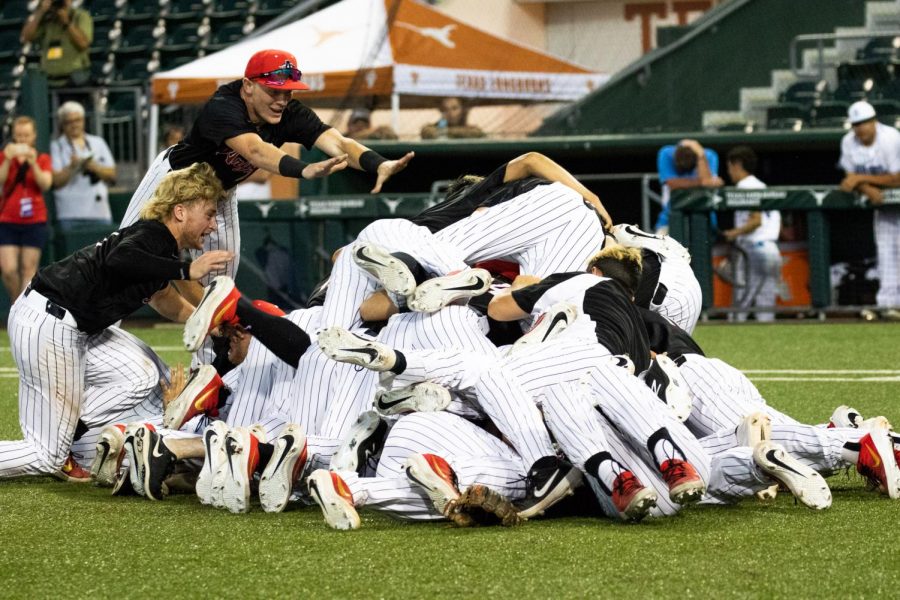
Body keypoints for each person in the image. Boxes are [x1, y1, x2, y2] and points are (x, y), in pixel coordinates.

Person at [0, 162, 233, 482]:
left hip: (70, 325)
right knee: (46, 456)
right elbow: (119, 259)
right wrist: (185, 272)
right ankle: (70, 437)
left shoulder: (160, 243)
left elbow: (161, 296)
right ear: (180, 211)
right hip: (50, 324)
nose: (212, 224)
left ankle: (82, 432)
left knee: (147, 373)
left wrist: (204, 319)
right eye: (208, 213)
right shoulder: (153, 234)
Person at [120, 48, 415, 291]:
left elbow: (338, 142)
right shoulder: (223, 105)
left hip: (217, 193)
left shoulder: (290, 112)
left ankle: (210, 361)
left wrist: (378, 162)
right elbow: (255, 150)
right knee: (124, 256)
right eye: (273, 91)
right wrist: (305, 170)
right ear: (248, 86)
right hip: (172, 181)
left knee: (219, 283)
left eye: (287, 92)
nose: (282, 100)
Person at [838, 100, 900, 320]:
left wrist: (861, 180)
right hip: (884, 206)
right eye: (855, 124)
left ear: (874, 122)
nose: (859, 128)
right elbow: (848, 176)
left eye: (864, 123)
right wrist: (866, 188)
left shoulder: (891, 137)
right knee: (886, 255)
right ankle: (889, 305)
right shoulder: (848, 141)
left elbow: (897, 177)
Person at [723, 146, 783, 322]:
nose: (729, 172)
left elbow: (756, 220)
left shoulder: (745, 186)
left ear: (737, 165)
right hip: (772, 249)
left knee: (739, 307)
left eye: (729, 167)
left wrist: (733, 233)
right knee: (766, 308)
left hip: (754, 250)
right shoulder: (762, 186)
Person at [0, 116, 53, 299]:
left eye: (26, 135)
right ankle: (17, 304)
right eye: (19, 136)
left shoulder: (42, 158)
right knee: (8, 269)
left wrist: (32, 163)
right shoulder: (5, 157)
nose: (22, 140)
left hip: (34, 219)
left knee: (28, 269)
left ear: (34, 136)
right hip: (8, 218)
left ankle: (21, 309)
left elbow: (45, 184)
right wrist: (7, 160)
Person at [50, 101, 117, 231]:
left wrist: (94, 167)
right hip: (69, 214)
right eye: (69, 122)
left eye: (78, 120)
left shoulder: (98, 142)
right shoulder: (57, 146)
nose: (74, 125)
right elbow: (56, 182)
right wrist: (72, 167)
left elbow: (113, 175)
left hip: (99, 212)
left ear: (83, 121)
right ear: (62, 125)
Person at [655, 139, 723, 234]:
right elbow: (672, 184)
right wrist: (702, 183)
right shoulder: (666, 153)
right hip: (670, 220)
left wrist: (701, 156)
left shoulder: (709, 155)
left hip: (704, 220)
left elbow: (707, 184)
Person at [20, 0, 93, 88]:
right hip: (49, 80)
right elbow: (26, 38)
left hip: (74, 80)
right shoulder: (47, 19)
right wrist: (40, 12)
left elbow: (83, 44)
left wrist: (67, 23)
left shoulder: (80, 16)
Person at [420, 97, 485, 140]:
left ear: (462, 110)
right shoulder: (438, 126)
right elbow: (426, 131)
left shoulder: (471, 130)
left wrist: (446, 132)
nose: (450, 113)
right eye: (446, 109)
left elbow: (477, 133)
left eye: (454, 108)